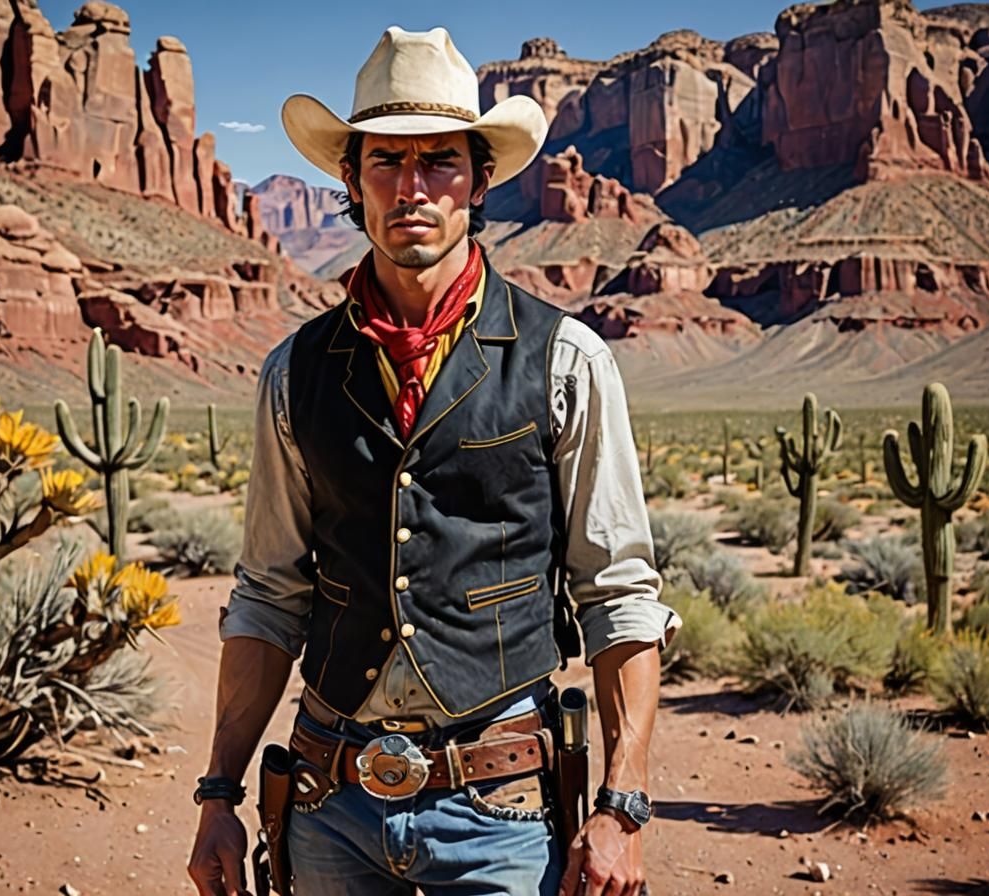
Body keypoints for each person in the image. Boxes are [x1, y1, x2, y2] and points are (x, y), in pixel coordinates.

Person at [187, 25, 679, 896]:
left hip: (504, 812)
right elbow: (269, 595)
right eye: (386, 163)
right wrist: (219, 793)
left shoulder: (565, 358)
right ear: (350, 179)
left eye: (439, 163)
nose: (412, 189)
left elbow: (619, 594)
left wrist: (622, 804)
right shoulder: (292, 373)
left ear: (480, 180)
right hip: (329, 800)